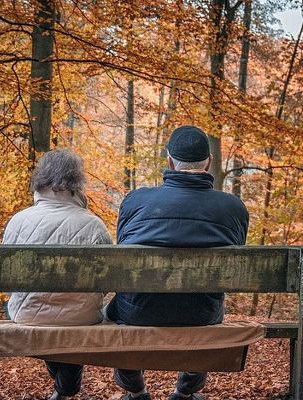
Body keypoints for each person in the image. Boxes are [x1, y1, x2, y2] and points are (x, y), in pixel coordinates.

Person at [106, 125, 249, 400]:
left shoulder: (135, 201)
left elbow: (122, 251)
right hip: (200, 315)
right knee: (206, 304)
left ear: (170, 161)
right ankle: (184, 393)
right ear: (208, 163)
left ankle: (136, 391)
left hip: (138, 313)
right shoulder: (233, 209)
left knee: (118, 309)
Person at [3, 148, 113, 400]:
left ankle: (64, 390)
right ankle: (66, 389)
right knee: (74, 319)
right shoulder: (93, 224)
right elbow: (106, 281)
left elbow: (9, 283)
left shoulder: (17, 221)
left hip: (26, 314)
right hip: (82, 316)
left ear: (40, 180)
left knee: (54, 322)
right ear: (77, 182)